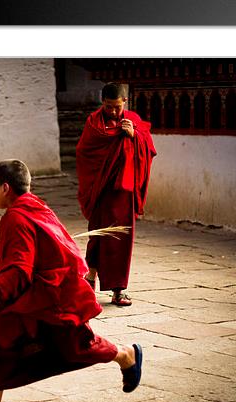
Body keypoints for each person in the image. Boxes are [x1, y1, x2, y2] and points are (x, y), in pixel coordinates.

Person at [0, 159, 142, 402]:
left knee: (75, 346)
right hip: (46, 291)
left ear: (5, 187)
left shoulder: (16, 217)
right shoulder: (35, 206)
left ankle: (125, 354)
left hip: (53, 296)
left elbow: (19, 268)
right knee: (4, 335)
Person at [75, 82, 157, 306]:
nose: (113, 111)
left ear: (125, 103)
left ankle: (118, 290)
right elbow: (84, 153)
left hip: (124, 192)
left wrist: (134, 136)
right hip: (102, 190)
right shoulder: (95, 123)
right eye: (109, 107)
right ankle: (90, 277)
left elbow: (149, 148)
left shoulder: (133, 121)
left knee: (121, 240)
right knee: (98, 235)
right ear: (103, 103)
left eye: (117, 107)